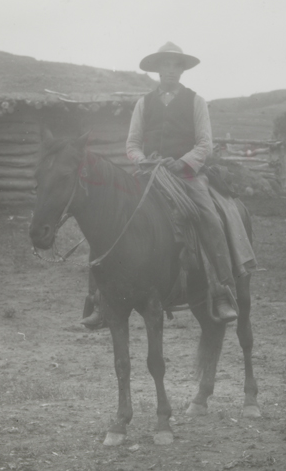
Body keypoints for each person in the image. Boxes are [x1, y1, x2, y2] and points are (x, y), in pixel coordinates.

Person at [81, 42, 239, 327]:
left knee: (210, 217)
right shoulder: (144, 103)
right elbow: (132, 143)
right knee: (109, 217)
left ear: (182, 69)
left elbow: (205, 143)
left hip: (185, 175)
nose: (170, 70)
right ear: (157, 70)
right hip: (149, 173)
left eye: (175, 65)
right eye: (165, 65)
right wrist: (143, 160)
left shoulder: (196, 101)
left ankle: (221, 291)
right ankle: (98, 300)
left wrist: (183, 162)